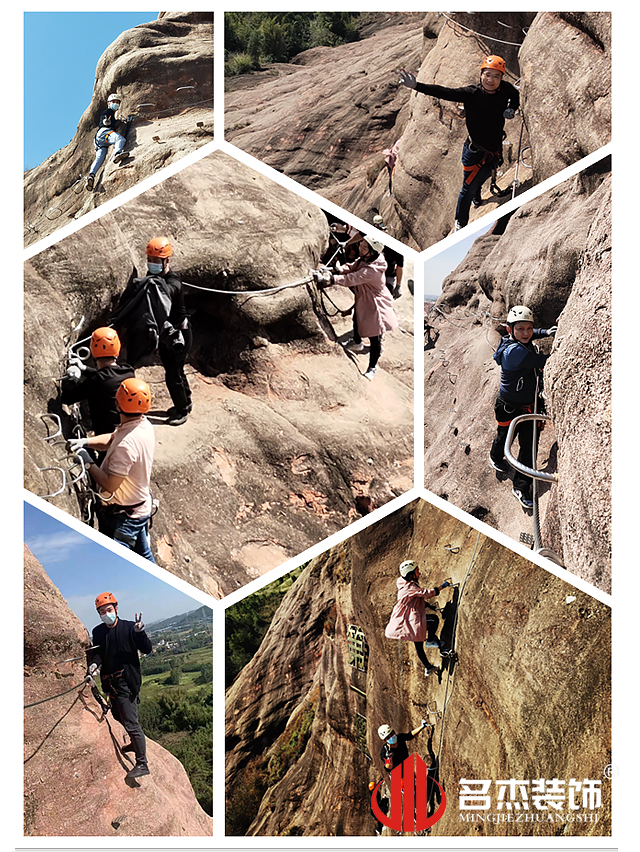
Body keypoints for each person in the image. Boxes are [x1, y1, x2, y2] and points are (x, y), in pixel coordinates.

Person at [398, 55, 520, 230]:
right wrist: (417, 86)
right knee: (467, 189)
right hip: (475, 150)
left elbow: (515, 96)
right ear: (481, 75)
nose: (491, 80)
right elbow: (444, 92)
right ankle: (460, 224)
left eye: (496, 76)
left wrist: (511, 108)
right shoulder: (471, 94)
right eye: (487, 75)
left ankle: (477, 197)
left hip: (494, 148)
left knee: (484, 176)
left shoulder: (506, 89)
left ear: (501, 78)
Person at [68, 377, 156, 562]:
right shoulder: (143, 424)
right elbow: (113, 438)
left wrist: (88, 462)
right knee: (144, 555)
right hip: (138, 508)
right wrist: (86, 442)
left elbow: (110, 484)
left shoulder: (127, 445)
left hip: (126, 517)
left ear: (117, 404)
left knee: (114, 560)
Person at [112, 237, 193, 426]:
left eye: (157, 261)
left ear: (167, 261)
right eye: (151, 260)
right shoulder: (152, 276)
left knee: (173, 373)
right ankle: (186, 403)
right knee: (175, 370)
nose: (153, 264)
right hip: (167, 335)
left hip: (179, 334)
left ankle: (182, 411)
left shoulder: (173, 281)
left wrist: (149, 284)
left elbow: (170, 290)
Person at [489, 305, 557, 509]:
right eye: (521, 329)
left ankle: (520, 486)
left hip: (526, 406)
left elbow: (528, 332)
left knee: (528, 448)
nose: (526, 333)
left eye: (529, 328)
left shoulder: (513, 339)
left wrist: (545, 332)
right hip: (510, 406)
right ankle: (495, 457)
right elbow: (544, 361)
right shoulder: (514, 353)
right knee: (504, 435)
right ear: (510, 330)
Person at [88, 592, 152, 780]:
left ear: (116, 609)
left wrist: (140, 634)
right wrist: (94, 664)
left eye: (108, 610)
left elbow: (147, 649)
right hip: (110, 683)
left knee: (131, 723)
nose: (106, 614)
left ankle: (142, 763)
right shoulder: (98, 632)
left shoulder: (130, 628)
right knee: (117, 716)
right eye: (102, 612)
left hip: (126, 682)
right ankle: (134, 743)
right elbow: (100, 653)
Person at [318, 235, 398, 381]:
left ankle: (372, 368)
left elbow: (353, 278)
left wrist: (332, 279)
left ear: (373, 251)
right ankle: (357, 342)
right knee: (357, 319)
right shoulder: (365, 259)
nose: (360, 249)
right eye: (361, 245)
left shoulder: (374, 269)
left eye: (364, 248)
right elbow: (351, 267)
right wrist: (338, 269)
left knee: (375, 337)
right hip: (364, 299)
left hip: (375, 304)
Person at [60, 328, 135, 442]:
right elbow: (107, 377)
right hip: (128, 435)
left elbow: (67, 397)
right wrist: (85, 369)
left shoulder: (95, 381)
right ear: (117, 349)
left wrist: (72, 377)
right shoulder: (128, 371)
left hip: (106, 441)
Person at [385, 560, 452, 676]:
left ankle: (428, 667)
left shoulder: (404, 583)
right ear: (411, 574)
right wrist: (441, 587)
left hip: (406, 617)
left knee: (418, 643)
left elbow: (414, 599)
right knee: (433, 621)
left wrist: (427, 605)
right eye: (417, 571)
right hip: (408, 619)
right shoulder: (409, 587)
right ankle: (430, 641)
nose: (419, 573)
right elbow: (426, 593)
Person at [86, 94, 130, 191]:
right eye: (114, 102)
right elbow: (105, 118)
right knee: (120, 139)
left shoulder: (112, 116)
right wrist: (107, 120)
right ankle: (117, 153)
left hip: (98, 140)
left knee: (100, 158)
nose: (116, 104)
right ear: (109, 103)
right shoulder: (108, 111)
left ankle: (91, 175)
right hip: (104, 132)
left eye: (117, 102)